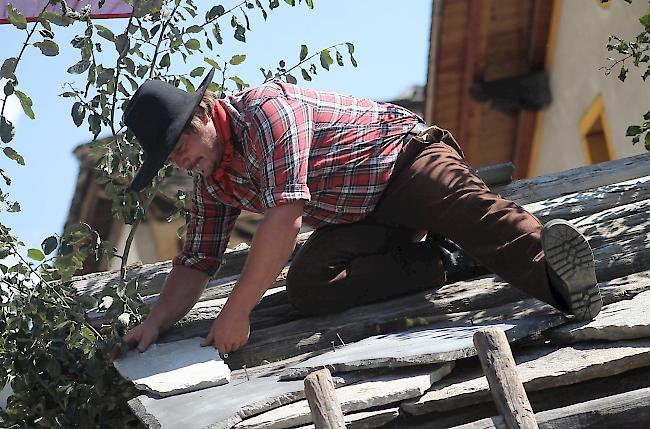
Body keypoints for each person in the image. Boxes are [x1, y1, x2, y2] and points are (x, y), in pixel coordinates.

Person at [122, 68, 602, 356]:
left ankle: (564, 281)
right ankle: (446, 261)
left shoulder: (266, 111)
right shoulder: (212, 180)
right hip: (361, 217)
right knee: (309, 285)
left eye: (179, 144)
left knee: (471, 214)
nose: (180, 160)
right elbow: (197, 260)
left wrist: (237, 311)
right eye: (170, 157)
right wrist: (156, 322)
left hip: (404, 163)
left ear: (204, 113)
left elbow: (286, 214)